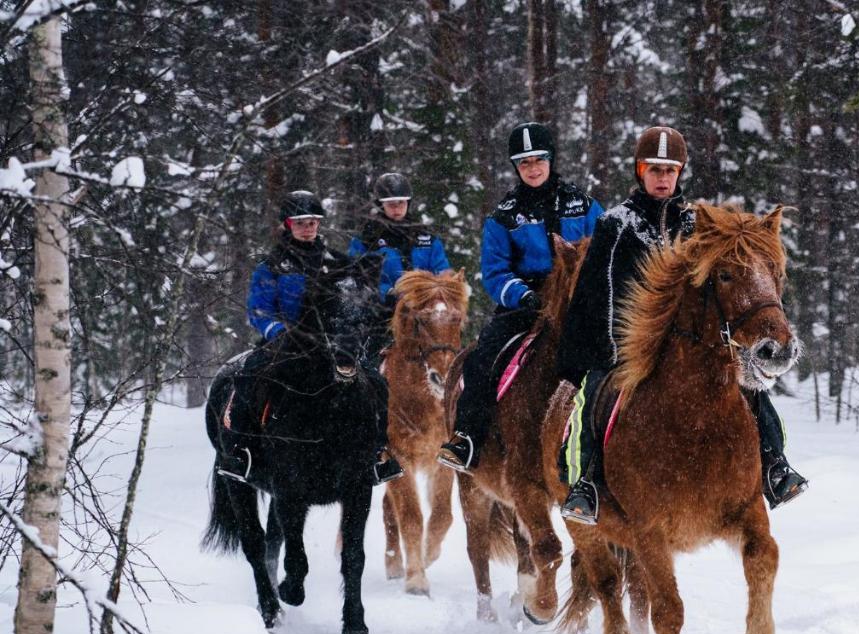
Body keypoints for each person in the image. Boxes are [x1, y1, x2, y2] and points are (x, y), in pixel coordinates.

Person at [554, 126, 808, 525]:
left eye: (670, 170)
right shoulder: (615, 224)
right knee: (594, 394)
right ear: (640, 171)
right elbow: (595, 290)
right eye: (654, 169)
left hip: (687, 344)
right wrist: (600, 347)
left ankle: (774, 465)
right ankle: (585, 481)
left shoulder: (699, 224)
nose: (662, 178)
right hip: (626, 344)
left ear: (680, 173)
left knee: (751, 389)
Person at [436, 122, 604, 472]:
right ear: (516, 167)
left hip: (579, 303)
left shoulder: (584, 205)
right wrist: (522, 294)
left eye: (538, 160)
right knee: (482, 356)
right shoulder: (504, 216)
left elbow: (604, 253)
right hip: (526, 304)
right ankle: (467, 438)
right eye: (524, 162)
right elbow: (495, 272)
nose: (533, 168)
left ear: (550, 159)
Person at [217, 189, 402, 487]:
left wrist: (385, 305)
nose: (308, 228)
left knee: (376, 383)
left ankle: (376, 455)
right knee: (249, 375)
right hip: (286, 343)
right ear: (287, 225)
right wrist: (278, 331)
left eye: (313, 222)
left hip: (334, 343)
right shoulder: (272, 266)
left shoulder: (337, 262)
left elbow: (356, 298)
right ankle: (240, 453)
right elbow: (259, 310)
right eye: (301, 222)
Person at [348, 171, 451, 303]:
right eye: (391, 204)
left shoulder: (426, 237)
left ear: (408, 203)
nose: (397, 209)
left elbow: (442, 272)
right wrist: (387, 293)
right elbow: (357, 277)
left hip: (424, 305)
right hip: (381, 307)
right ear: (381, 205)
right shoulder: (367, 238)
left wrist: (428, 293)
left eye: (401, 203)